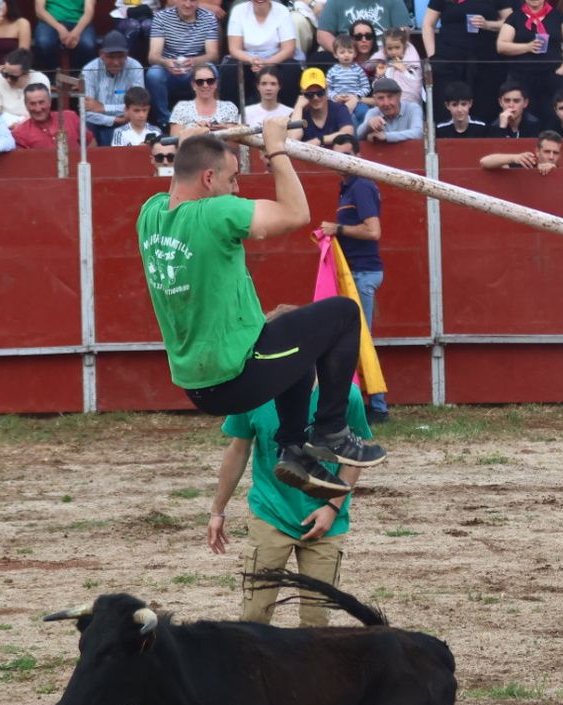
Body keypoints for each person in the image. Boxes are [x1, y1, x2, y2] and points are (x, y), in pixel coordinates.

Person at [136, 119, 386, 501]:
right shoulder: (216, 213)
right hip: (239, 375)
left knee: (292, 328)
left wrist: (191, 141)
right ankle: (332, 430)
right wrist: (276, 150)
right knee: (344, 314)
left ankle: (293, 449)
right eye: (232, 178)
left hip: (197, 385)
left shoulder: (150, 216)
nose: (236, 187)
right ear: (208, 179)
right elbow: (296, 214)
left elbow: (177, 183)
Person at [209, 386, 373, 626]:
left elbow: (358, 451)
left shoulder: (346, 393)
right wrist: (217, 510)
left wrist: (333, 507)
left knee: (316, 622)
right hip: (270, 514)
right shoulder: (255, 389)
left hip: (327, 521)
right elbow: (238, 449)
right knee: (254, 618)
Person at [319, 132, 387, 423]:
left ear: (359, 157)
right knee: (357, 338)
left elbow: (373, 231)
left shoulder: (361, 186)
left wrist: (339, 230)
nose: (343, 161)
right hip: (356, 271)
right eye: (338, 156)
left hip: (362, 272)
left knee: (360, 339)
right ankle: (370, 404)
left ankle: (379, 407)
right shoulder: (348, 186)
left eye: (348, 155)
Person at [423, 0, 509, 123]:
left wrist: (488, 24)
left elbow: (511, 22)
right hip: (449, 60)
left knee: (485, 106)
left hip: (485, 61)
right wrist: (433, 57)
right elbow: (428, 24)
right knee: (445, 106)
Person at [146, 0, 222, 127]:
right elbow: (152, 56)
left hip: (195, 69)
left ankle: (209, 118)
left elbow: (213, 54)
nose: (188, 4)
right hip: (169, 69)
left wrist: (194, 61)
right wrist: (166, 63)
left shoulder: (208, 18)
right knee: (153, 74)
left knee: (210, 69)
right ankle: (165, 121)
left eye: (192, 0)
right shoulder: (161, 17)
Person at [495, 0, 563, 118]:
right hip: (522, 76)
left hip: (553, 76)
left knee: (553, 116)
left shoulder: (558, 16)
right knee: (526, 116)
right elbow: (501, 46)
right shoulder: (515, 17)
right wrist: (527, 47)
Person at [224, 0, 301, 108]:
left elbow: (289, 49)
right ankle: (233, 116)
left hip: (276, 58)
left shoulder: (282, 11)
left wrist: (267, 63)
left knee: (291, 68)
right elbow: (234, 49)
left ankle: (289, 115)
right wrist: (252, 60)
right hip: (247, 58)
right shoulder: (238, 11)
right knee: (230, 69)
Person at [82, 31, 144, 146]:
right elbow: (86, 112)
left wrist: (102, 107)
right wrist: (115, 120)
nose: (116, 62)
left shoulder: (135, 67)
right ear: (101, 54)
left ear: (126, 54)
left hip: (126, 122)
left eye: (120, 57)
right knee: (86, 126)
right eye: (110, 57)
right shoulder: (89, 71)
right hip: (100, 122)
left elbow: (138, 106)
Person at [315, 0, 412, 56]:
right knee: (319, 58)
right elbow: (323, 34)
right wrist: (344, 53)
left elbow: (403, 31)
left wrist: (386, 53)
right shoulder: (335, 2)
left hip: (385, 53)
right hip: (347, 53)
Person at [289, 67, 356, 145]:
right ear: (302, 93)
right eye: (309, 94)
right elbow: (292, 140)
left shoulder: (339, 109)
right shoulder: (298, 114)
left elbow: (348, 133)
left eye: (320, 93)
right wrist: (298, 107)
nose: (316, 98)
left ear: (326, 90)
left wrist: (319, 140)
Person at [168, 60, 240, 133]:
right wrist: (195, 131)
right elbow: (175, 141)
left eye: (210, 81)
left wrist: (225, 131)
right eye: (200, 82)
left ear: (216, 83)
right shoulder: (181, 108)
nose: (205, 85)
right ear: (193, 85)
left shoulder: (229, 108)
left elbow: (234, 143)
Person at [0, 48, 51, 121]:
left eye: (13, 77)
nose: (8, 79)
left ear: (26, 74)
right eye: (5, 74)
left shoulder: (40, 80)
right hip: (4, 126)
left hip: (32, 124)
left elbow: (41, 112)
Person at [33, 0, 98, 74]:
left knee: (88, 45)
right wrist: (60, 28)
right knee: (44, 43)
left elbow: (89, 13)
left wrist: (76, 33)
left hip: (79, 22)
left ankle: (78, 78)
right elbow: (39, 11)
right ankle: (51, 78)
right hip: (50, 21)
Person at [13, 80, 83, 147]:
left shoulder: (70, 117)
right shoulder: (20, 133)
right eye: (32, 104)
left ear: (50, 101)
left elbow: (90, 143)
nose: (38, 109)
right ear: (26, 105)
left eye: (41, 102)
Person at [357, 75, 422, 141]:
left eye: (390, 97)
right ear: (375, 99)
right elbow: (358, 135)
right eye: (380, 98)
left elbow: (418, 133)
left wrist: (386, 136)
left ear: (399, 96)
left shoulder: (412, 108)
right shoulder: (373, 112)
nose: (386, 103)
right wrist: (368, 125)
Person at [326, 33, 372, 122]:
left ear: (355, 54)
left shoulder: (359, 70)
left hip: (356, 101)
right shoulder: (332, 71)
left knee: (364, 112)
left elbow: (366, 87)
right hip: (338, 101)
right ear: (335, 54)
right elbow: (328, 89)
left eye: (350, 52)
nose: (346, 55)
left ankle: (362, 132)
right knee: (334, 114)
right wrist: (335, 97)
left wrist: (356, 96)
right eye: (342, 52)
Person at [376, 25, 422, 105]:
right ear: (385, 49)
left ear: (404, 47)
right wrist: (380, 76)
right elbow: (377, 89)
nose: (394, 52)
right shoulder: (386, 66)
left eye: (397, 47)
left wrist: (403, 70)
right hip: (389, 107)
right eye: (390, 48)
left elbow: (416, 86)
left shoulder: (412, 64)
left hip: (411, 106)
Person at [479, 127, 563, 169]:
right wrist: (514, 158)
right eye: (547, 151)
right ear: (537, 152)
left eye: (555, 153)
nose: (551, 157)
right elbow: (484, 162)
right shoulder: (526, 166)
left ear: (560, 155)